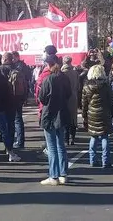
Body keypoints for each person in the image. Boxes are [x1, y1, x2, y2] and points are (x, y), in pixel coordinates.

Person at [38, 47, 72, 185]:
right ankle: (63, 174)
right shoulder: (64, 78)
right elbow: (69, 94)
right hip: (62, 113)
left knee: (52, 147)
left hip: (50, 115)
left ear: (49, 65)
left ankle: (54, 176)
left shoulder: (48, 79)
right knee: (61, 146)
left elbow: (42, 98)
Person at [82, 64, 113, 169]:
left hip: (92, 114)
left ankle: (93, 160)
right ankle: (106, 161)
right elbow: (111, 101)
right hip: (104, 113)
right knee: (105, 137)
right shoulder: (106, 86)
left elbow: (84, 104)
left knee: (94, 136)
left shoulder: (86, 86)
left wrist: (84, 116)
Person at [61, 56, 80, 146]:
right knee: (73, 119)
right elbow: (78, 86)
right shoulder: (75, 73)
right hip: (74, 97)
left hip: (65, 98)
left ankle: (66, 139)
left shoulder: (62, 73)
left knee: (65, 119)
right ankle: (73, 138)